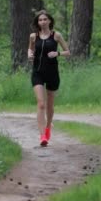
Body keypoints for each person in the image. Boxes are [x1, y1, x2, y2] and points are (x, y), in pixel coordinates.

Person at [28, 10, 70, 146]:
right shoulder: (33, 36)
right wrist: (29, 54)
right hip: (37, 72)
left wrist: (57, 53)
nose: (43, 22)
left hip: (52, 73)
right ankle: (42, 137)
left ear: (50, 21)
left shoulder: (56, 35)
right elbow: (30, 50)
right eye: (40, 20)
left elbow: (68, 52)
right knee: (41, 104)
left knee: (50, 105)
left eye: (45, 19)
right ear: (37, 22)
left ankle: (48, 128)